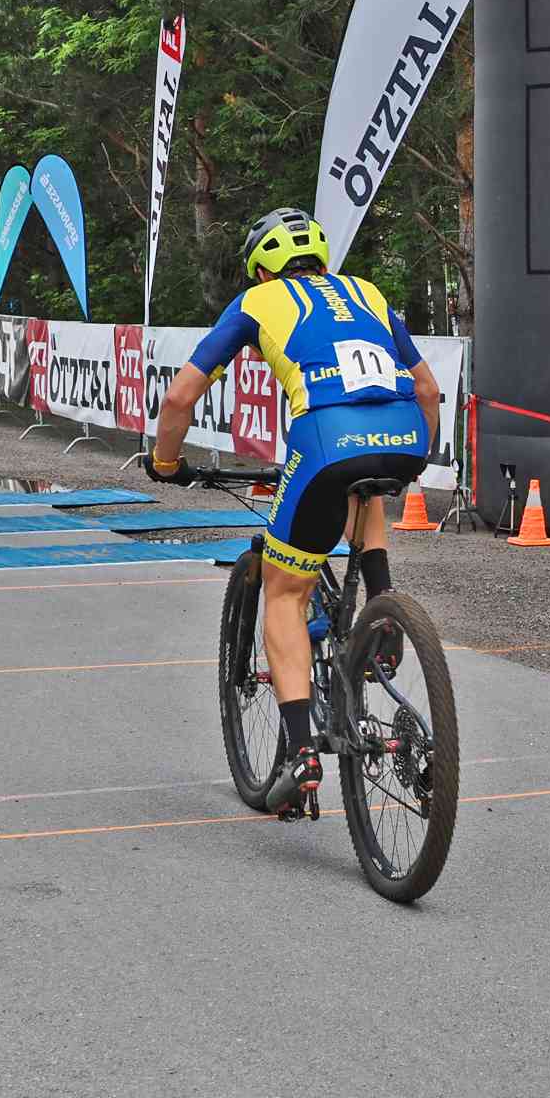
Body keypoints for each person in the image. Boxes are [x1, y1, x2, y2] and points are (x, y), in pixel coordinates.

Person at [145, 207, 442, 812]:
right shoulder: (366, 291)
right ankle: (383, 617)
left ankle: (302, 751)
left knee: (284, 592)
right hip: (404, 434)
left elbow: (179, 398)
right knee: (365, 487)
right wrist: (412, 461)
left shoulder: (257, 302)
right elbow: (429, 389)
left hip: (326, 441)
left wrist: (166, 462)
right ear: (322, 262)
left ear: (261, 270)